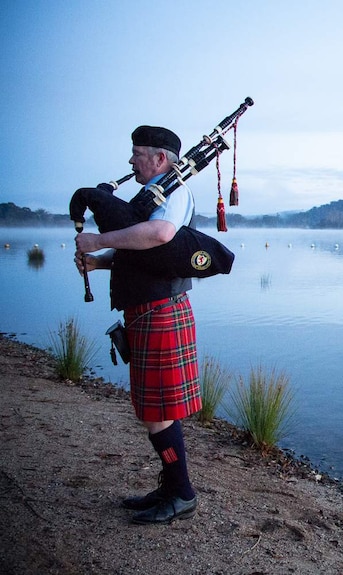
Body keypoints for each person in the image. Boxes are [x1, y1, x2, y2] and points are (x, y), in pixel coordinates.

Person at [75, 126, 201, 525]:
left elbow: (159, 235)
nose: (131, 162)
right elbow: (142, 252)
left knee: (157, 411)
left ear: (159, 158)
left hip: (162, 310)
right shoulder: (154, 195)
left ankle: (181, 493)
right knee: (157, 409)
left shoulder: (175, 191)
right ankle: (170, 486)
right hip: (150, 311)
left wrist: (97, 241)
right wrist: (101, 260)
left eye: (137, 153)